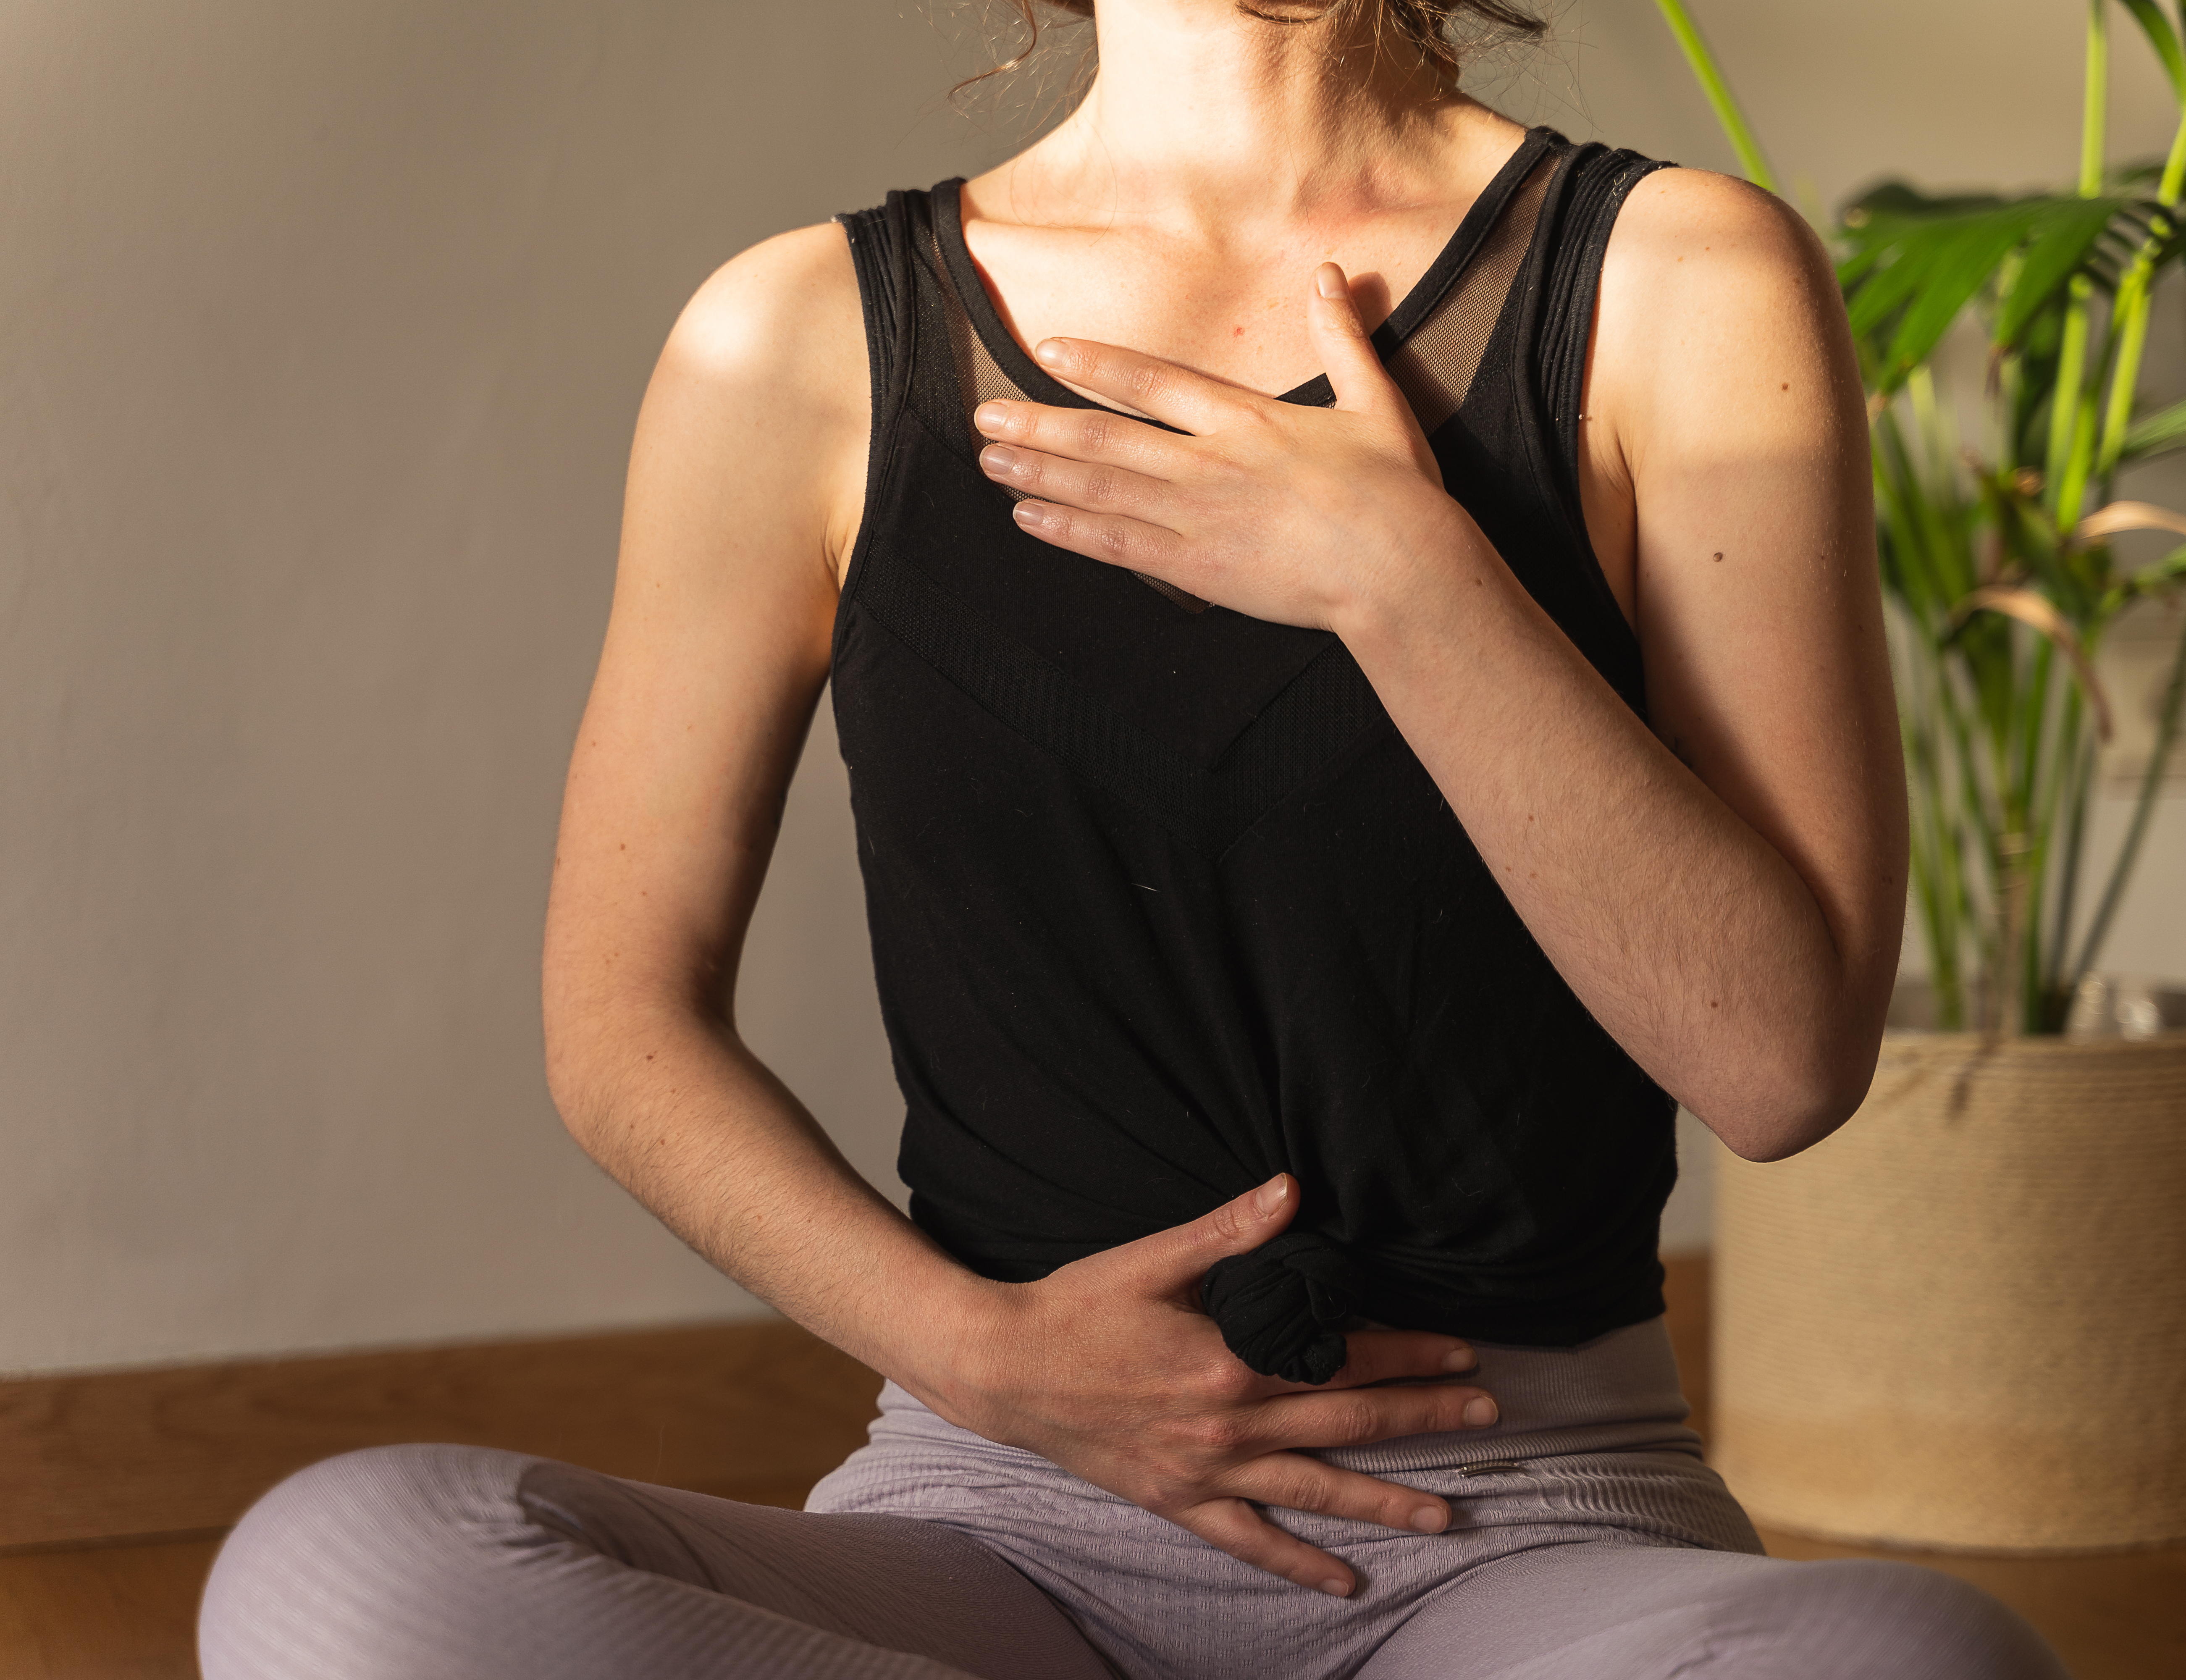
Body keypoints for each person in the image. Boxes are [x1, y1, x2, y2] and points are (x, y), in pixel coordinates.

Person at [200, 1, 2071, 1675]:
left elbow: (1778, 1059)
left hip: (1525, 1530)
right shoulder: (794, 340)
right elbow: (621, 1026)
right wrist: (978, 1353)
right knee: (349, 1572)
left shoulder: (1682, 276)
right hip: (997, 1525)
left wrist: (1405, 580)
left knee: (1911, 1657)